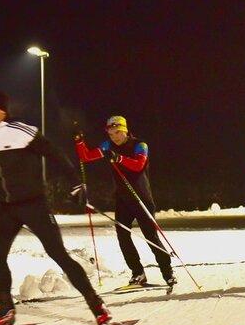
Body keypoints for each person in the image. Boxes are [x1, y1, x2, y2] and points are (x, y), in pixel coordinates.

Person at [0, 89, 111, 325]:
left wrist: (76, 183)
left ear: (2, 111)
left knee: (58, 254)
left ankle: (96, 305)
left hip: (33, 204)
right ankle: (6, 309)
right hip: (7, 209)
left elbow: (55, 154)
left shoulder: (22, 132)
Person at [75, 115, 176, 287]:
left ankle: (167, 272)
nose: (115, 137)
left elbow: (138, 165)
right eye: (111, 134)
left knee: (150, 236)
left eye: (118, 132)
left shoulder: (140, 145)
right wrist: (79, 142)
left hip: (141, 197)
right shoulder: (108, 146)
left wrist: (119, 158)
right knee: (123, 236)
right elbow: (86, 157)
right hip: (123, 199)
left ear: (125, 130)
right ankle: (138, 273)